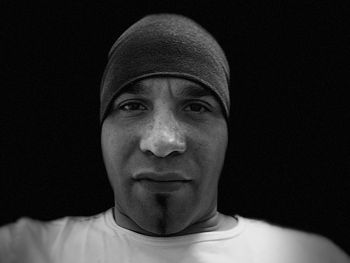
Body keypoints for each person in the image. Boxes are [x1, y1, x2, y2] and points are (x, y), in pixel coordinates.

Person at [0, 13, 348, 263]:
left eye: (195, 107)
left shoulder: (308, 257)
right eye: (133, 105)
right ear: (101, 129)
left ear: (227, 131)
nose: (163, 142)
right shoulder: (24, 251)